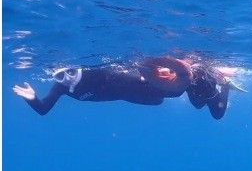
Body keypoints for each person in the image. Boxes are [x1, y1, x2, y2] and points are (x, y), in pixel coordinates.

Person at [12, 56, 193, 115]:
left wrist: (149, 71)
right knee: (158, 101)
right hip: (129, 95)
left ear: (77, 68)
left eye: (70, 72)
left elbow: (122, 66)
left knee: (171, 93)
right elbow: (43, 109)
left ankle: (195, 77)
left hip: (134, 83)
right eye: (59, 76)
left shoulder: (91, 70)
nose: (66, 78)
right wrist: (32, 98)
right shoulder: (61, 88)